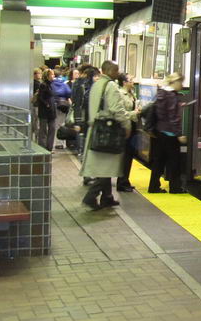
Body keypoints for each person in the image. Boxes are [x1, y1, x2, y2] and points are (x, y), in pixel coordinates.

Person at [79, 60, 130, 210]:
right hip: (108, 132)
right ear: (111, 71)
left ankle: (107, 197)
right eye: (116, 70)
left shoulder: (96, 84)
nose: (118, 73)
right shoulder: (111, 86)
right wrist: (126, 125)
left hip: (96, 129)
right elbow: (116, 109)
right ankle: (90, 197)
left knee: (105, 166)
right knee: (106, 167)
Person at [148, 72, 187, 194]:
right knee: (175, 161)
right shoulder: (171, 96)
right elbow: (172, 116)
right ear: (175, 82)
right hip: (170, 133)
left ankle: (153, 186)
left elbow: (162, 112)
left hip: (160, 131)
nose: (182, 85)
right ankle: (175, 187)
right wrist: (179, 133)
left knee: (159, 161)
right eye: (181, 82)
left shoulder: (162, 92)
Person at [115, 73, 139, 192]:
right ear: (124, 82)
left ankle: (125, 180)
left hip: (132, 126)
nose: (132, 82)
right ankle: (122, 182)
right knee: (125, 156)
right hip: (125, 128)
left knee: (129, 155)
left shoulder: (131, 94)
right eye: (130, 80)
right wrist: (135, 113)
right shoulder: (120, 94)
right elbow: (121, 113)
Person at [35, 69, 58, 151]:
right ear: (47, 76)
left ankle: (49, 147)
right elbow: (40, 97)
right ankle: (43, 147)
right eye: (52, 74)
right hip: (45, 111)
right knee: (43, 129)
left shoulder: (51, 85)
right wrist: (47, 104)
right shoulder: (43, 85)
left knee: (52, 128)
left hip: (51, 110)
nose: (53, 76)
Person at [51, 68, 73, 149]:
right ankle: (60, 143)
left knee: (53, 124)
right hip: (63, 105)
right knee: (61, 123)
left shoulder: (51, 84)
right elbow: (69, 93)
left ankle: (53, 142)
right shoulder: (64, 83)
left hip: (53, 105)